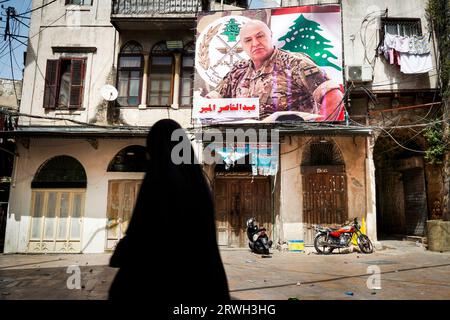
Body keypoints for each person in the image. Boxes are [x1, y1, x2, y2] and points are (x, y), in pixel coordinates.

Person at [109, 119, 230, 302]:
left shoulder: (157, 180)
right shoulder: (198, 182)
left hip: (158, 282)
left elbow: (141, 232)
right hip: (200, 280)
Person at [206, 19, 344, 121]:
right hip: (248, 145)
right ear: (242, 45)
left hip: (292, 145)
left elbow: (333, 95)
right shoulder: (237, 71)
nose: (255, 43)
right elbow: (210, 103)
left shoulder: (295, 63)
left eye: (260, 36)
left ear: (270, 35)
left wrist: (319, 131)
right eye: (248, 40)